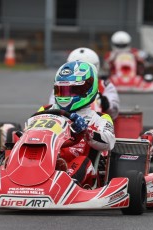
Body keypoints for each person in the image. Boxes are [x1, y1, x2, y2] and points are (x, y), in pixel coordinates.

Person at [40, 61, 115, 189]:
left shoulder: (99, 118)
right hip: (46, 163)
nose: (67, 95)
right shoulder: (45, 111)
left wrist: (87, 131)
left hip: (78, 168)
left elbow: (109, 142)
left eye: (73, 90)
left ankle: (65, 186)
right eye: (62, 90)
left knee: (81, 162)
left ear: (87, 90)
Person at [49, 47, 120, 120]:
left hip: (95, 122)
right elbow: (52, 105)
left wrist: (105, 103)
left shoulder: (105, 85)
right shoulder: (61, 85)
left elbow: (114, 112)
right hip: (63, 121)